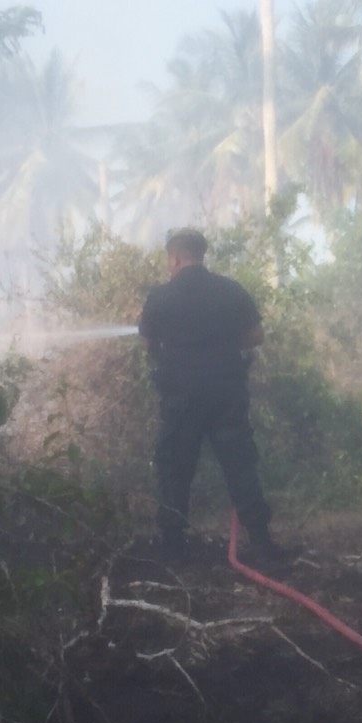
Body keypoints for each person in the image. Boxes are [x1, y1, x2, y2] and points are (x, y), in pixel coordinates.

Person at [138, 227, 282, 564]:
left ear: (175, 258)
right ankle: (262, 545)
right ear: (201, 254)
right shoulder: (230, 290)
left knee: (175, 470)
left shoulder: (160, 296)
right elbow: (256, 336)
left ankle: (174, 549)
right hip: (226, 394)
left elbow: (149, 345)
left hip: (180, 398)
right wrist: (224, 345)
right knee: (240, 467)